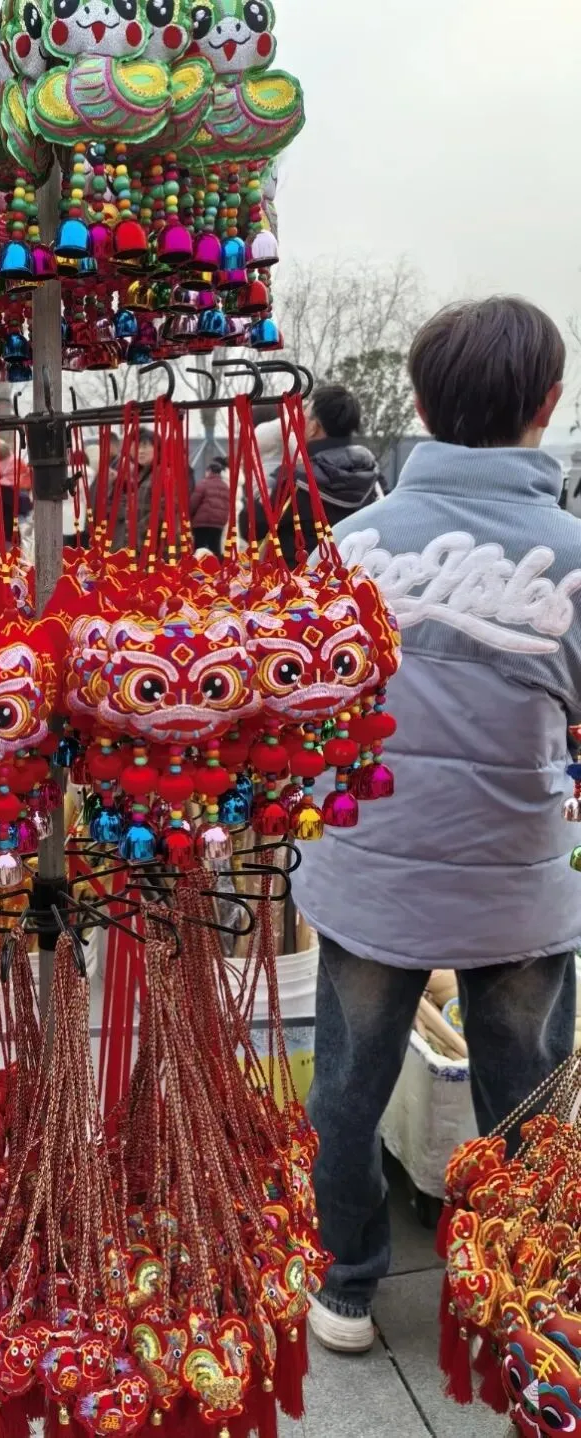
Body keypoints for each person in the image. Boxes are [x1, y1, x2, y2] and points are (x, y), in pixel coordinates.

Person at [294, 297, 581, 1355]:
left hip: (369, 874)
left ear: (416, 406)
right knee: (529, 1101)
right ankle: (524, 1290)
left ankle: (347, 1284)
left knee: (346, 1087)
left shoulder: (348, 548)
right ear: (548, 403)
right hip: (520, 885)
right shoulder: (573, 554)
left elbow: (307, 712)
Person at [244, 384, 382, 567]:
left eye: (304, 418)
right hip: (356, 578)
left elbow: (249, 527)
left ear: (314, 427)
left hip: (298, 580)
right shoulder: (373, 477)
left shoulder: (293, 479)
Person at [189, 457, 229, 556]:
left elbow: (193, 503)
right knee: (215, 548)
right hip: (218, 523)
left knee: (199, 548)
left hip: (202, 522)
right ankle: (217, 564)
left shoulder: (203, 483)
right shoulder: (225, 486)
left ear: (209, 471)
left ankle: (198, 565)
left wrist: (190, 516)